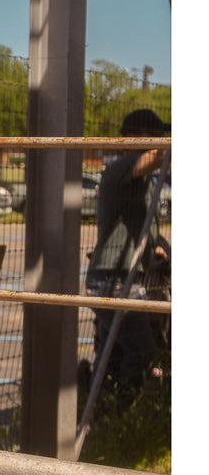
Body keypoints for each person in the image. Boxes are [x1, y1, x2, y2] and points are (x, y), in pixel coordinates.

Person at [86, 106, 171, 392]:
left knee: (111, 355)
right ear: (134, 137)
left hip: (126, 277)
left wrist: (157, 246)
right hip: (113, 278)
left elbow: (139, 219)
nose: (162, 142)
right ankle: (124, 406)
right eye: (156, 136)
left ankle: (101, 414)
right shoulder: (120, 167)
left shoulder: (144, 179)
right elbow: (154, 158)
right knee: (143, 352)